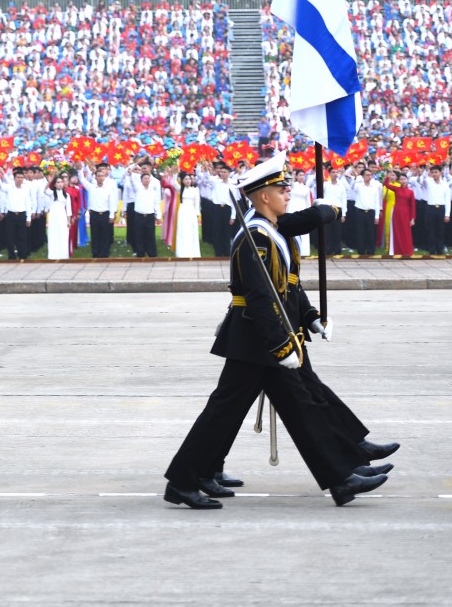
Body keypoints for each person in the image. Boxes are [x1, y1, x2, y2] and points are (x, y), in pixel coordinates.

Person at [163, 154, 388, 509]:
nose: (288, 195)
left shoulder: (272, 231)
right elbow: (259, 296)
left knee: (288, 408)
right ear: (263, 196)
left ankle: (343, 477)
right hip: (256, 338)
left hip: (266, 338)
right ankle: (183, 480)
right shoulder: (256, 237)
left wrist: (310, 316)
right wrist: (282, 346)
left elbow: (287, 287)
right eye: (282, 190)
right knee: (239, 411)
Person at [383, 173, 415, 257]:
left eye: (404, 179)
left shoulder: (410, 192)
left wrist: (412, 218)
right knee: (396, 232)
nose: (403, 181)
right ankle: (396, 250)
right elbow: (386, 184)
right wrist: (388, 176)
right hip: (396, 213)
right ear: (399, 181)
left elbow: (413, 206)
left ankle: (407, 250)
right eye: (401, 179)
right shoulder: (397, 189)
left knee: (406, 232)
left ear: (407, 180)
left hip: (406, 214)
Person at [173, 173, 202, 258]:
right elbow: (173, 182)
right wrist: (175, 172)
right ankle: (182, 253)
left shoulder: (195, 190)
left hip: (191, 212)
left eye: (189, 179)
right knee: (183, 230)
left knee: (192, 231)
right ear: (182, 181)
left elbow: (197, 203)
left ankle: (193, 252)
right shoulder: (180, 189)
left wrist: (197, 214)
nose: (188, 181)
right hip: (182, 211)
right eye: (185, 179)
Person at [44, 174, 72, 260]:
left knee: (63, 234)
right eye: (58, 182)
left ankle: (63, 254)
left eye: (61, 182)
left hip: (62, 216)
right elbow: (45, 190)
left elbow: (69, 210)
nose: (60, 184)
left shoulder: (66, 195)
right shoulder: (52, 193)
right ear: (55, 184)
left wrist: (69, 221)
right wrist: (49, 181)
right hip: (53, 216)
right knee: (53, 234)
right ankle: (53, 254)